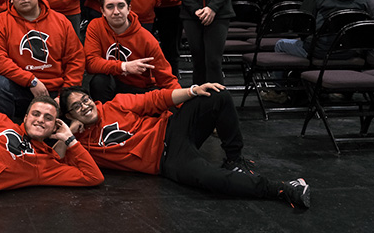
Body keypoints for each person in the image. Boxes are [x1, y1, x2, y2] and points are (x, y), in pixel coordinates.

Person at [59, 85, 311, 209]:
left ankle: (235, 160)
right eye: (77, 107)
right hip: (167, 159)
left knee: (217, 94)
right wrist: (69, 134)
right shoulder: (80, 145)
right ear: (70, 114)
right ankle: (283, 189)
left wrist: (192, 90)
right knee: (211, 179)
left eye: (86, 100)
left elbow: (156, 98)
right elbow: (57, 160)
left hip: (172, 129)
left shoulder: (115, 105)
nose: (85, 106)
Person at [0, 0, 84, 119]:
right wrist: (31, 81)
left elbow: (75, 60)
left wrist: (64, 96)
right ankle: (2, 132)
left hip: (55, 92)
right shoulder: (0, 23)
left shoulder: (61, 21)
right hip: (22, 89)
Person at [85, 0, 180, 102]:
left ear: (129, 8)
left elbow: (166, 78)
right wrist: (124, 67)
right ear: (103, 11)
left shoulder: (146, 38)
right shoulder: (95, 26)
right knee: (99, 81)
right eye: (110, 7)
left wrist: (183, 100)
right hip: (111, 86)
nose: (116, 12)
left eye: (121, 6)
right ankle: (105, 118)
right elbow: (91, 63)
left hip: (139, 89)